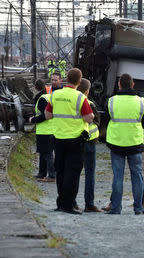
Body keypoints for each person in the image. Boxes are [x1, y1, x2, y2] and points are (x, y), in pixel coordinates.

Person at [45, 68, 94, 215]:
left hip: (58, 139)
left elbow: (47, 115)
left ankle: (60, 203)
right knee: (72, 173)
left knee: (60, 171)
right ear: (79, 81)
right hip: (75, 139)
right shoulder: (80, 97)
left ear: (66, 78)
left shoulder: (55, 95)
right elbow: (88, 117)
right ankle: (68, 205)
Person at [105, 73, 144, 215]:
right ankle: (139, 208)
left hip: (116, 143)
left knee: (118, 176)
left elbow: (106, 121)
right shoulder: (142, 102)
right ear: (133, 84)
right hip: (135, 143)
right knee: (137, 175)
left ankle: (116, 208)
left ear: (119, 85)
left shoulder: (111, 101)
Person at [76, 78, 102, 213]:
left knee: (73, 172)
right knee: (90, 174)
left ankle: (72, 202)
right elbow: (97, 121)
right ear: (87, 91)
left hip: (74, 141)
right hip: (89, 142)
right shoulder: (90, 103)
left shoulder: (73, 102)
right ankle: (89, 204)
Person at [29, 79, 55, 182]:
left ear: (35, 87)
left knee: (47, 154)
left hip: (45, 130)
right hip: (49, 129)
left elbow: (45, 116)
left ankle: (52, 175)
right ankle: (42, 173)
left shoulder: (41, 99)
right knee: (43, 153)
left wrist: (33, 120)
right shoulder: (48, 96)